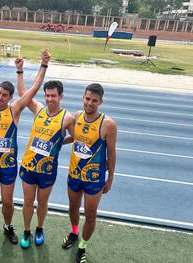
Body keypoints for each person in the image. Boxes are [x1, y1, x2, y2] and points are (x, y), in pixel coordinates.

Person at [0, 50, 51, 245]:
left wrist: (41, 65)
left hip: (8, 165)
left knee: (8, 200)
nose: (0, 97)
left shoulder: (14, 110)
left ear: (10, 97)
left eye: (4, 95)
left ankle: (8, 226)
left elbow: (33, 90)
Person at [15, 58, 75, 249]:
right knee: (27, 202)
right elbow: (23, 93)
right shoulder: (39, 109)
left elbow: (74, 137)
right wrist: (20, 71)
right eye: (47, 95)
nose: (49, 99)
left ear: (61, 96)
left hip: (48, 169)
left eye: (53, 96)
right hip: (29, 165)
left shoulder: (67, 118)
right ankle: (26, 230)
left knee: (42, 202)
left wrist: (58, 144)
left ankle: (39, 228)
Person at [61, 83, 117, 263]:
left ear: (101, 101)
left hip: (94, 178)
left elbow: (112, 152)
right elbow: (75, 138)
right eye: (87, 99)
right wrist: (55, 142)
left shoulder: (108, 124)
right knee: (73, 208)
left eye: (94, 100)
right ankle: (74, 232)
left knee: (91, 214)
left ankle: (82, 247)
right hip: (74, 173)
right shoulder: (77, 116)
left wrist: (110, 179)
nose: (90, 103)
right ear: (82, 98)